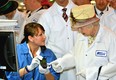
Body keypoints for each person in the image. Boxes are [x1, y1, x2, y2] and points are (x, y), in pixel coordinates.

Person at [50, 4, 116, 80]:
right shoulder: (82, 36)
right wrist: (62, 63)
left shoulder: (110, 37)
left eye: (81, 28)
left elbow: (114, 65)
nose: (79, 31)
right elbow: (75, 55)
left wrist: (92, 72)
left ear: (91, 24)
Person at [38, 0, 77, 80]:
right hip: (56, 65)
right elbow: (40, 44)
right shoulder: (46, 16)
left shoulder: (80, 12)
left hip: (78, 64)